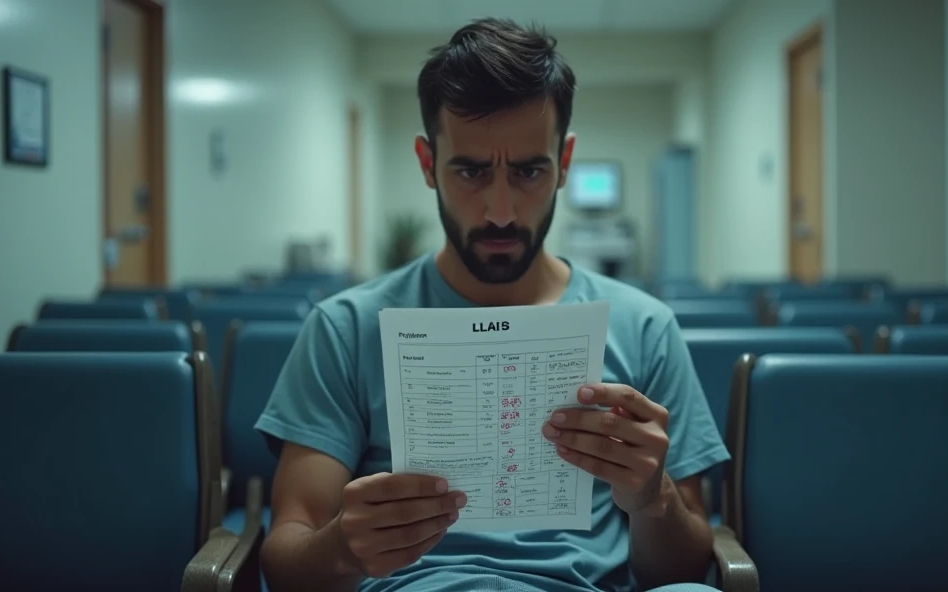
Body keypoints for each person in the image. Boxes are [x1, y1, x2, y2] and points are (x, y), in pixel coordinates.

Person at [255, 17, 729, 592]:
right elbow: (284, 561)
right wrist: (341, 548)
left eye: (529, 170)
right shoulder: (345, 328)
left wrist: (652, 500)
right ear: (429, 165)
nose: (501, 210)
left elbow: (682, 567)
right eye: (472, 171)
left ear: (565, 162)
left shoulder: (645, 327)